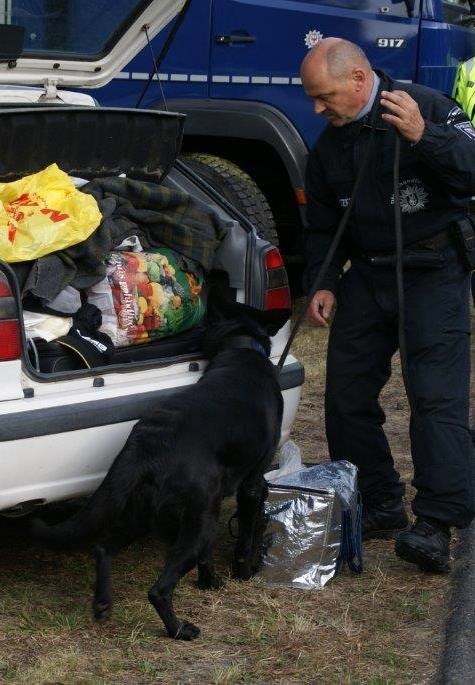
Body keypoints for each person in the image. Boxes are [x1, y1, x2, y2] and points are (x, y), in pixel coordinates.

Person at [300, 37, 475, 573]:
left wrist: (425, 136)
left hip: (434, 272)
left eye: (324, 96)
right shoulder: (329, 146)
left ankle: (436, 524)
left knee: (435, 400)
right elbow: (323, 224)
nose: (318, 109)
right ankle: (379, 501)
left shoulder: (428, 107)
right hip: (369, 275)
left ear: (359, 79)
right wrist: (324, 281)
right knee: (346, 395)